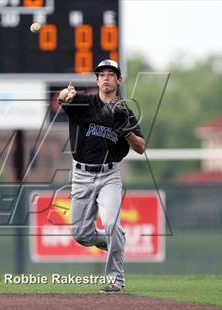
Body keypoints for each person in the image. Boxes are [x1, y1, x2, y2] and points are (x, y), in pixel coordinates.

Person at [57, 59, 145, 293]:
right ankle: (116, 242)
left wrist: (125, 130)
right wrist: (64, 96)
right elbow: (64, 101)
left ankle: (115, 279)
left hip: (109, 176)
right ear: (97, 80)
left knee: (112, 223)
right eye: (102, 74)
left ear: (118, 80)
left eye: (111, 74)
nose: (106, 77)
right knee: (81, 234)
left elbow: (141, 147)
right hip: (82, 175)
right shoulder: (84, 102)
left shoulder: (124, 111)